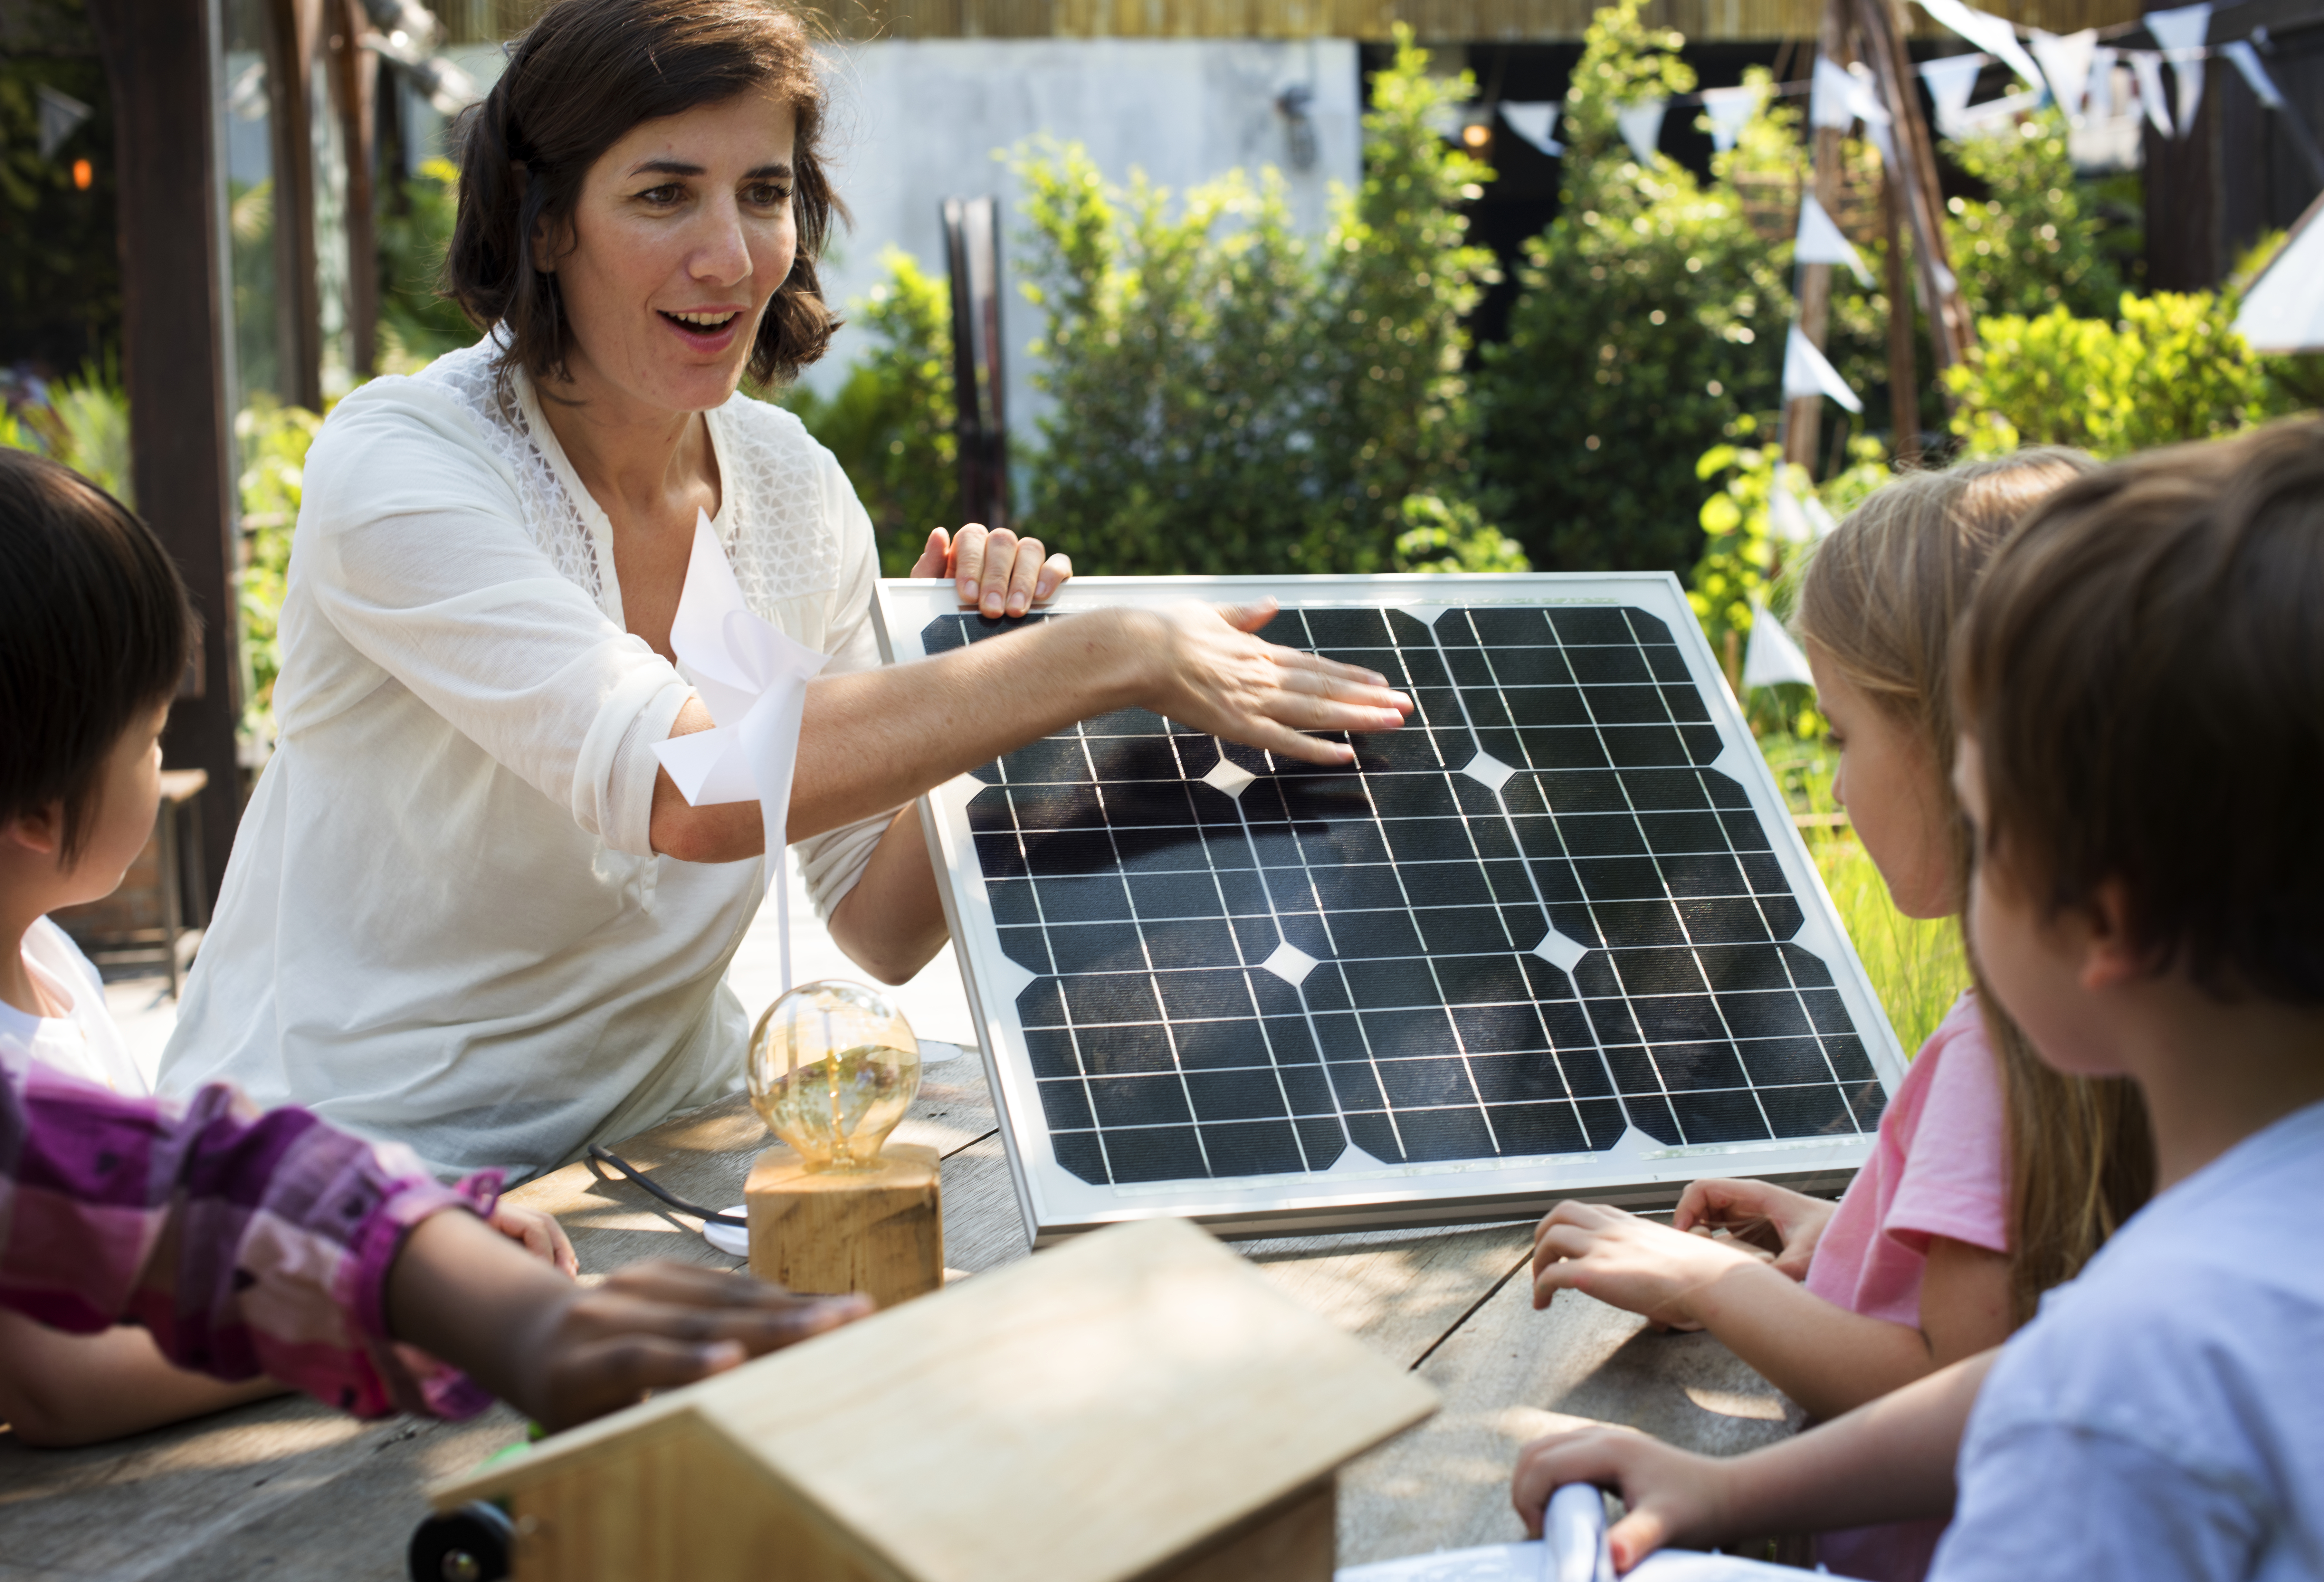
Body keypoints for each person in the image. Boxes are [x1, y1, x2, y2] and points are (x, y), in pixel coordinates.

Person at [158, 0, 1412, 1182]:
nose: (729, 255)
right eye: (663, 194)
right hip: (333, 1180)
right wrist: (1098, 656)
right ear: (545, 225)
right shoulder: (408, 466)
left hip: (659, 1146)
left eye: (764, 193)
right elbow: (691, 790)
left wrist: (962, 675)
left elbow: (880, 925)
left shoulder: (793, 491)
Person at [1510, 416, 2324, 1579]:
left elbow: (2043, 1388)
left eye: (1989, 826)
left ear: (2106, 912)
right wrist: (1739, 1472)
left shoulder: (2116, 1421)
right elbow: (2037, 1367)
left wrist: (1726, 1291)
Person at [0, 447, 862, 1443]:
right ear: (37, 810)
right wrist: (404, 1305)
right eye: (147, 739)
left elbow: (146, 1207)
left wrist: (413, 1235)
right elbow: (65, 1371)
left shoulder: (52, 969)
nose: (161, 762)